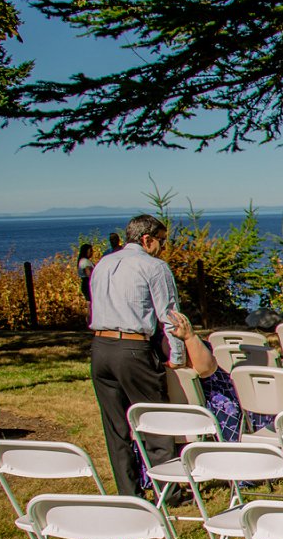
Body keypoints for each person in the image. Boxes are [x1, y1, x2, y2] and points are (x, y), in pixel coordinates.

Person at [88, 213, 185, 502]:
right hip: (132, 348)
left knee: (115, 426)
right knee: (156, 419)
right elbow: (170, 316)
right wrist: (176, 356)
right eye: (162, 241)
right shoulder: (154, 267)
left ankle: (128, 492)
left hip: (99, 348)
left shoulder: (103, 263)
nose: (164, 247)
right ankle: (168, 491)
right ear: (147, 239)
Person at [134, 311, 271, 489]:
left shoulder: (140, 347)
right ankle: (250, 464)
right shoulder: (171, 337)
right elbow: (206, 368)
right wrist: (190, 337)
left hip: (166, 411)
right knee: (250, 405)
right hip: (209, 401)